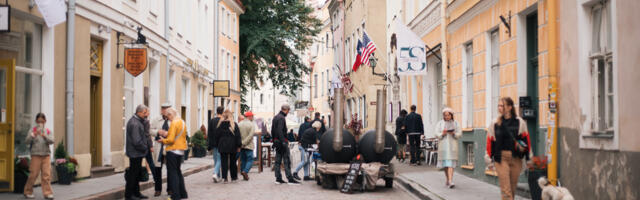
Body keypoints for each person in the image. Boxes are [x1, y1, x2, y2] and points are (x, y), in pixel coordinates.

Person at [485, 97, 532, 200]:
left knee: (512, 188)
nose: (499, 108)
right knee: (506, 189)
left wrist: (529, 159)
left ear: (510, 107)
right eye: (498, 105)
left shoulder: (520, 122)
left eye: (502, 105)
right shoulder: (495, 123)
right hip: (501, 158)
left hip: (516, 159)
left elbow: (526, 141)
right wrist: (489, 160)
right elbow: (490, 142)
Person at [158, 108, 188, 200]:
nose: (168, 119)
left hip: (173, 150)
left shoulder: (174, 123)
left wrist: (163, 140)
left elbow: (170, 140)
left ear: (171, 115)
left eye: (167, 117)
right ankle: (183, 193)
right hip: (180, 150)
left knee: (173, 173)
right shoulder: (182, 122)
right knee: (178, 171)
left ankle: (175, 195)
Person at [23, 113, 54, 199]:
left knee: (46, 175)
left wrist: (45, 136)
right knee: (33, 174)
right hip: (36, 155)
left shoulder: (48, 131)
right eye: (38, 121)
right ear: (36, 121)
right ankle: (28, 191)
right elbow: (26, 141)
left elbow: (52, 141)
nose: (40, 123)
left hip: (46, 155)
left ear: (45, 121)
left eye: (42, 121)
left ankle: (47, 193)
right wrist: (33, 135)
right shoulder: (32, 130)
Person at [125, 105, 150, 200]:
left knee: (136, 174)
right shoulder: (135, 123)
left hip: (137, 152)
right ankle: (129, 195)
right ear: (139, 112)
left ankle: (136, 193)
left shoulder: (138, 121)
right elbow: (136, 141)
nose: (146, 115)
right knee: (133, 175)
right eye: (144, 113)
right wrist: (145, 148)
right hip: (135, 153)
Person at [272, 104, 301, 185]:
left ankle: (278, 178)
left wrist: (274, 140)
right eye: (288, 111)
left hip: (276, 141)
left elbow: (273, 130)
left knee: (277, 161)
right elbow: (280, 131)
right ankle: (290, 179)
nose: (288, 112)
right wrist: (284, 141)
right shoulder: (281, 118)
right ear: (286, 110)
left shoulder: (275, 117)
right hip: (281, 142)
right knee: (286, 160)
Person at [435, 108, 462, 188]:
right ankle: (447, 179)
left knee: (450, 164)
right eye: (445, 115)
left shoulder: (456, 123)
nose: (447, 117)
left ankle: (450, 181)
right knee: (445, 165)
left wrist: (454, 133)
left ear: (451, 115)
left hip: (452, 146)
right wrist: (442, 134)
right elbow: (436, 133)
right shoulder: (440, 123)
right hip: (443, 147)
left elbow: (459, 133)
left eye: (448, 115)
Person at [148, 103, 171, 196]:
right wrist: (158, 131)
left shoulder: (173, 120)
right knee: (158, 169)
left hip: (169, 146)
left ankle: (170, 189)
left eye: (167, 109)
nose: (165, 111)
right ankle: (158, 189)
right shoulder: (156, 119)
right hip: (159, 147)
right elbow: (150, 130)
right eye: (163, 109)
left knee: (170, 169)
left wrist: (169, 133)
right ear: (161, 110)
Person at [215, 110, 242, 183]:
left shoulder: (220, 125)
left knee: (224, 162)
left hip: (222, 145)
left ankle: (225, 178)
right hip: (232, 145)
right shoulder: (234, 124)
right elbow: (238, 136)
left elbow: (217, 136)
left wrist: (217, 144)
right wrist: (239, 146)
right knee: (233, 162)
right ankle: (234, 177)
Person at [238, 111, 256, 180]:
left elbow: (238, 136)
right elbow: (250, 136)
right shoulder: (251, 125)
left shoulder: (239, 124)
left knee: (243, 160)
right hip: (249, 145)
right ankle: (245, 171)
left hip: (241, 146)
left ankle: (244, 174)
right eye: (252, 116)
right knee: (250, 160)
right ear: (249, 117)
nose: (253, 117)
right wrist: (244, 143)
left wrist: (241, 143)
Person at [207, 106, 224, 183]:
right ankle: (215, 173)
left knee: (216, 159)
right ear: (222, 112)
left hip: (213, 143)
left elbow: (209, 133)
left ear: (217, 112)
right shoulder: (223, 121)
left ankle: (218, 176)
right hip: (220, 143)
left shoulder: (212, 121)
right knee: (219, 159)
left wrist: (209, 144)